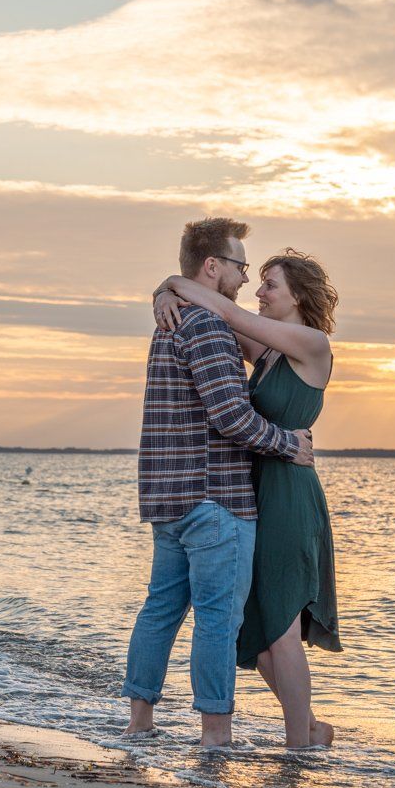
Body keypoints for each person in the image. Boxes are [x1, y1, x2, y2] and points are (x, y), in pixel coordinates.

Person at [121, 219, 314, 748]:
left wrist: (164, 286)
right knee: (215, 621)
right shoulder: (205, 326)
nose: (244, 277)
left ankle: (140, 723)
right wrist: (289, 443)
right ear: (213, 267)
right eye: (239, 266)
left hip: (167, 497)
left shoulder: (174, 316)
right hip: (214, 498)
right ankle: (215, 735)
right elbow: (232, 416)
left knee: (160, 607)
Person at [152, 248, 342, 749]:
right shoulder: (269, 352)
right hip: (255, 492)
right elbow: (210, 313)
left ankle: (298, 748)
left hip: (291, 494)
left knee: (280, 627)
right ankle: (309, 729)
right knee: (254, 634)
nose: (258, 292)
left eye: (271, 285)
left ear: (298, 294)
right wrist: (162, 294)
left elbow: (227, 311)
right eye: (257, 282)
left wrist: (173, 278)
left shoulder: (311, 344)